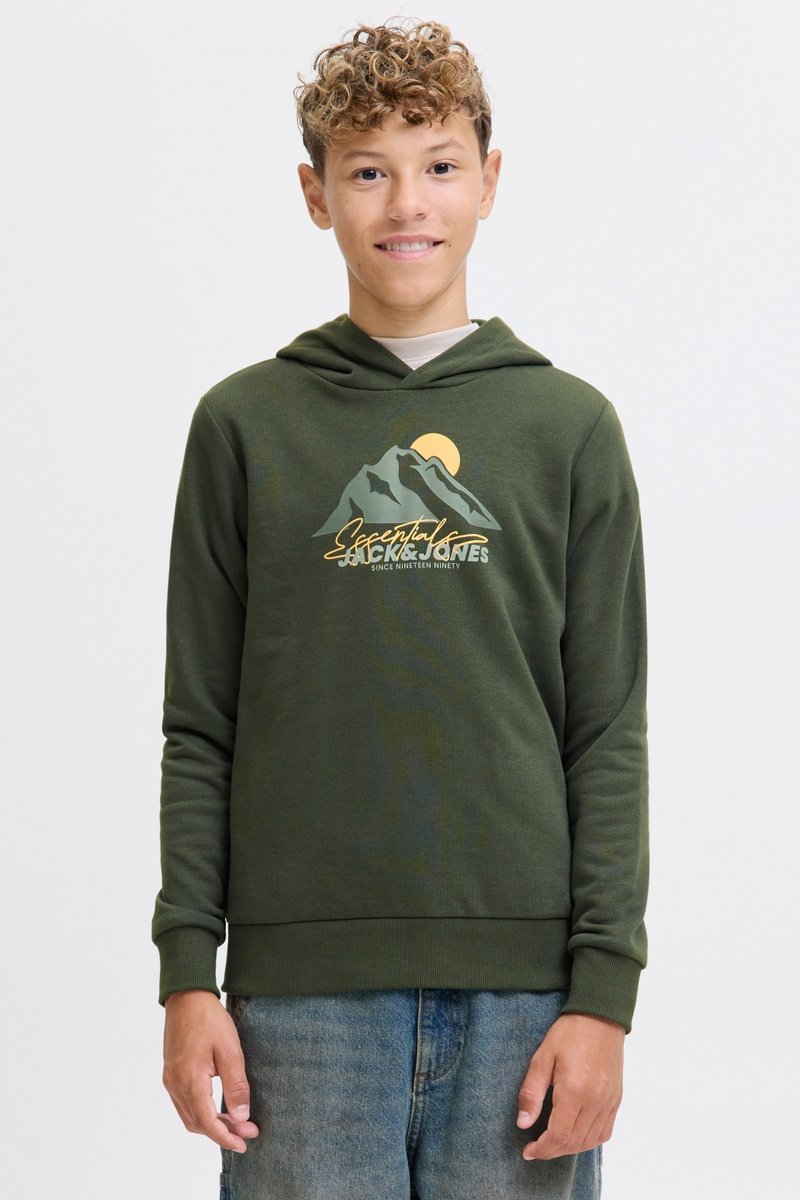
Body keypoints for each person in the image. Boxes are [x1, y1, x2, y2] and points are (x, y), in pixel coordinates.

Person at [152, 17, 649, 1200]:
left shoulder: (567, 429)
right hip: (298, 1007)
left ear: (488, 180)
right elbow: (200, 726)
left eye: (438, 165)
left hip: (526, 1002)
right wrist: (185, 977)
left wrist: (603, 997)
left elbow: (605, 732)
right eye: (367, 171)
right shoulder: (245, 426)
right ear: (315, 194)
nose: (406, 204)